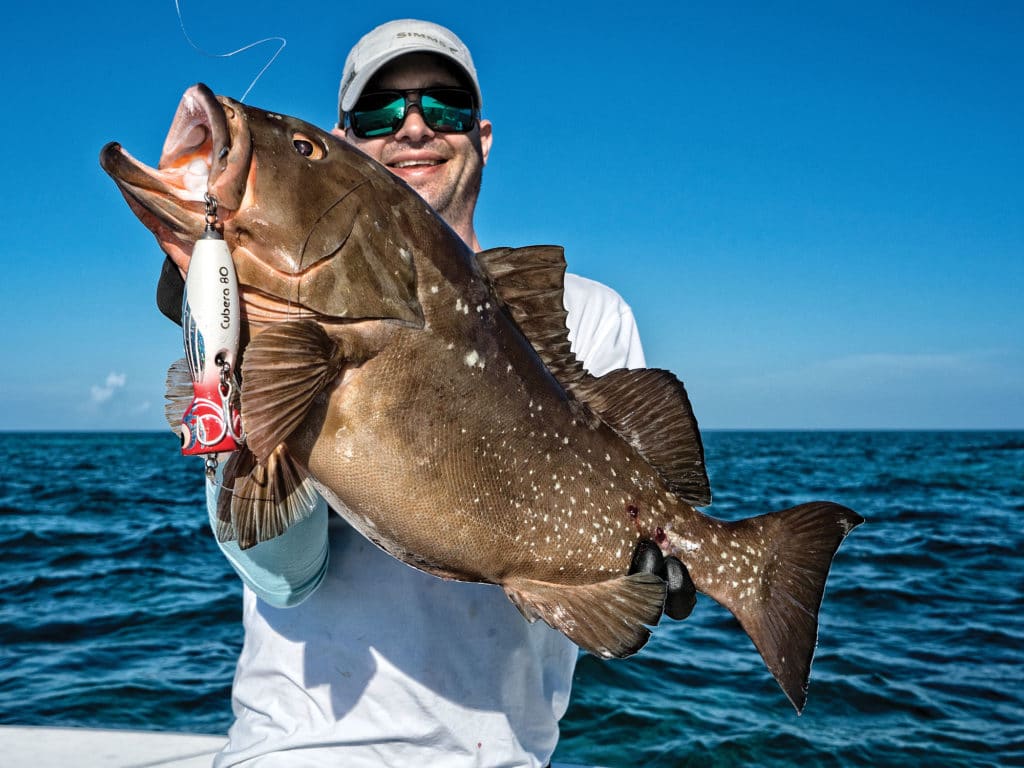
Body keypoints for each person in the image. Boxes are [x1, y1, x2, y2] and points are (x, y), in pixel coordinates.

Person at [197, 19, 693, 768]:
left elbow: (643, 508)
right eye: (380, 112)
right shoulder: (255, 308)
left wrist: (653, 559)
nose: (416, 127)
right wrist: (227, 353)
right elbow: (284, 575)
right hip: (302, 747)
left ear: (483, 137)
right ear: (347, 142)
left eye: (446, 107)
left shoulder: (591, 313)